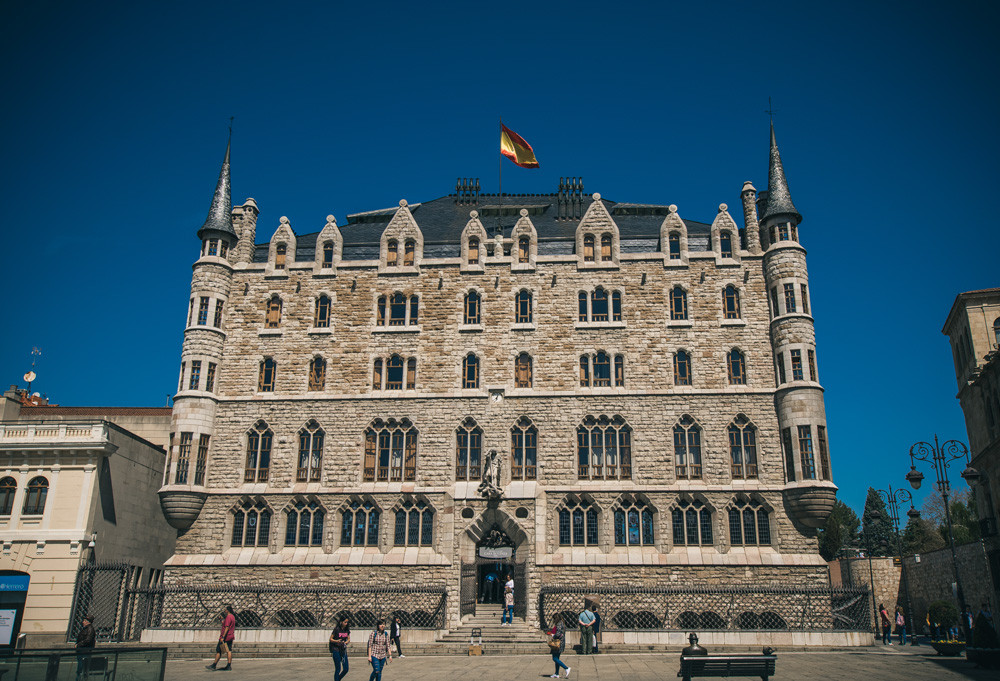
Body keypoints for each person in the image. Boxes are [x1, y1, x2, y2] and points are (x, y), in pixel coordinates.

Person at [206, 605, 236, 671]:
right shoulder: (232, 617)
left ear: (228, 610)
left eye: (225, 610)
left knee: (219, 650)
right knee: (229, 650)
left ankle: (214, 665)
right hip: (231, 636)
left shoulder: (228, 617)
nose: (224, 611)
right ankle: (228, 665)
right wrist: (221, 620)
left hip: (226, 637)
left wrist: (223, 636)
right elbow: (226, 624)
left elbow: (227, 627)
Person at [547, 613, 570, 678]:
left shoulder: (559, 623)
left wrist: (553, 635)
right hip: (560, 643)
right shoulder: (561, 623)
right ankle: (556, 673)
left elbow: (558, 633)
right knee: (557, 658)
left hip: (558, 643)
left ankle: (566, 668)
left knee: (554, 658)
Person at [329, 615, 351, 681]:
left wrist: (346, 642)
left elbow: (348, 639)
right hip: (336, 649)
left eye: (347, 622)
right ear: (341, 622)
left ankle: (338, 679)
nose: (346, 624)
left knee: (346, 669)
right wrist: (337, 641)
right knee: (338, 668)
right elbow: (331, 639)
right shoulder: (337, 629)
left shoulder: (347, 630)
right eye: (345, 622)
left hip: (343, 650)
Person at [75, 614, 96, 680]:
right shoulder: (86, 628)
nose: (82, 622)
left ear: (87, 621)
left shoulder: (90, 629)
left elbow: (88, 640)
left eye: (84, 621)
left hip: (85, 651)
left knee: (82, 667)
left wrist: (78, 644)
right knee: (81, 667)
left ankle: (80, 678)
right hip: (82, 651)